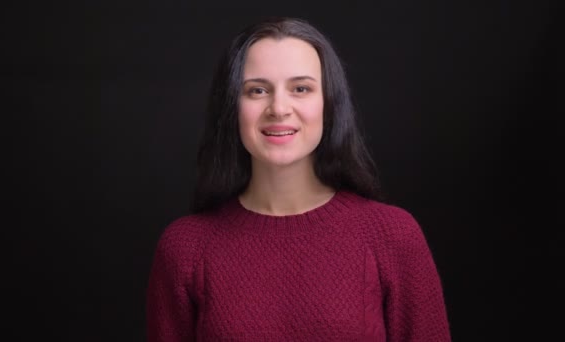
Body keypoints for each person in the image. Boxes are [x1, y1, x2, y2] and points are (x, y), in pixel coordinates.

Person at [146, 17, 451, 341]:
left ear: (329, 105)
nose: (278, 108)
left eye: (301, 88)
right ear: (231, 107)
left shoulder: (391, 236)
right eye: (257, 90)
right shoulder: (186, 248)